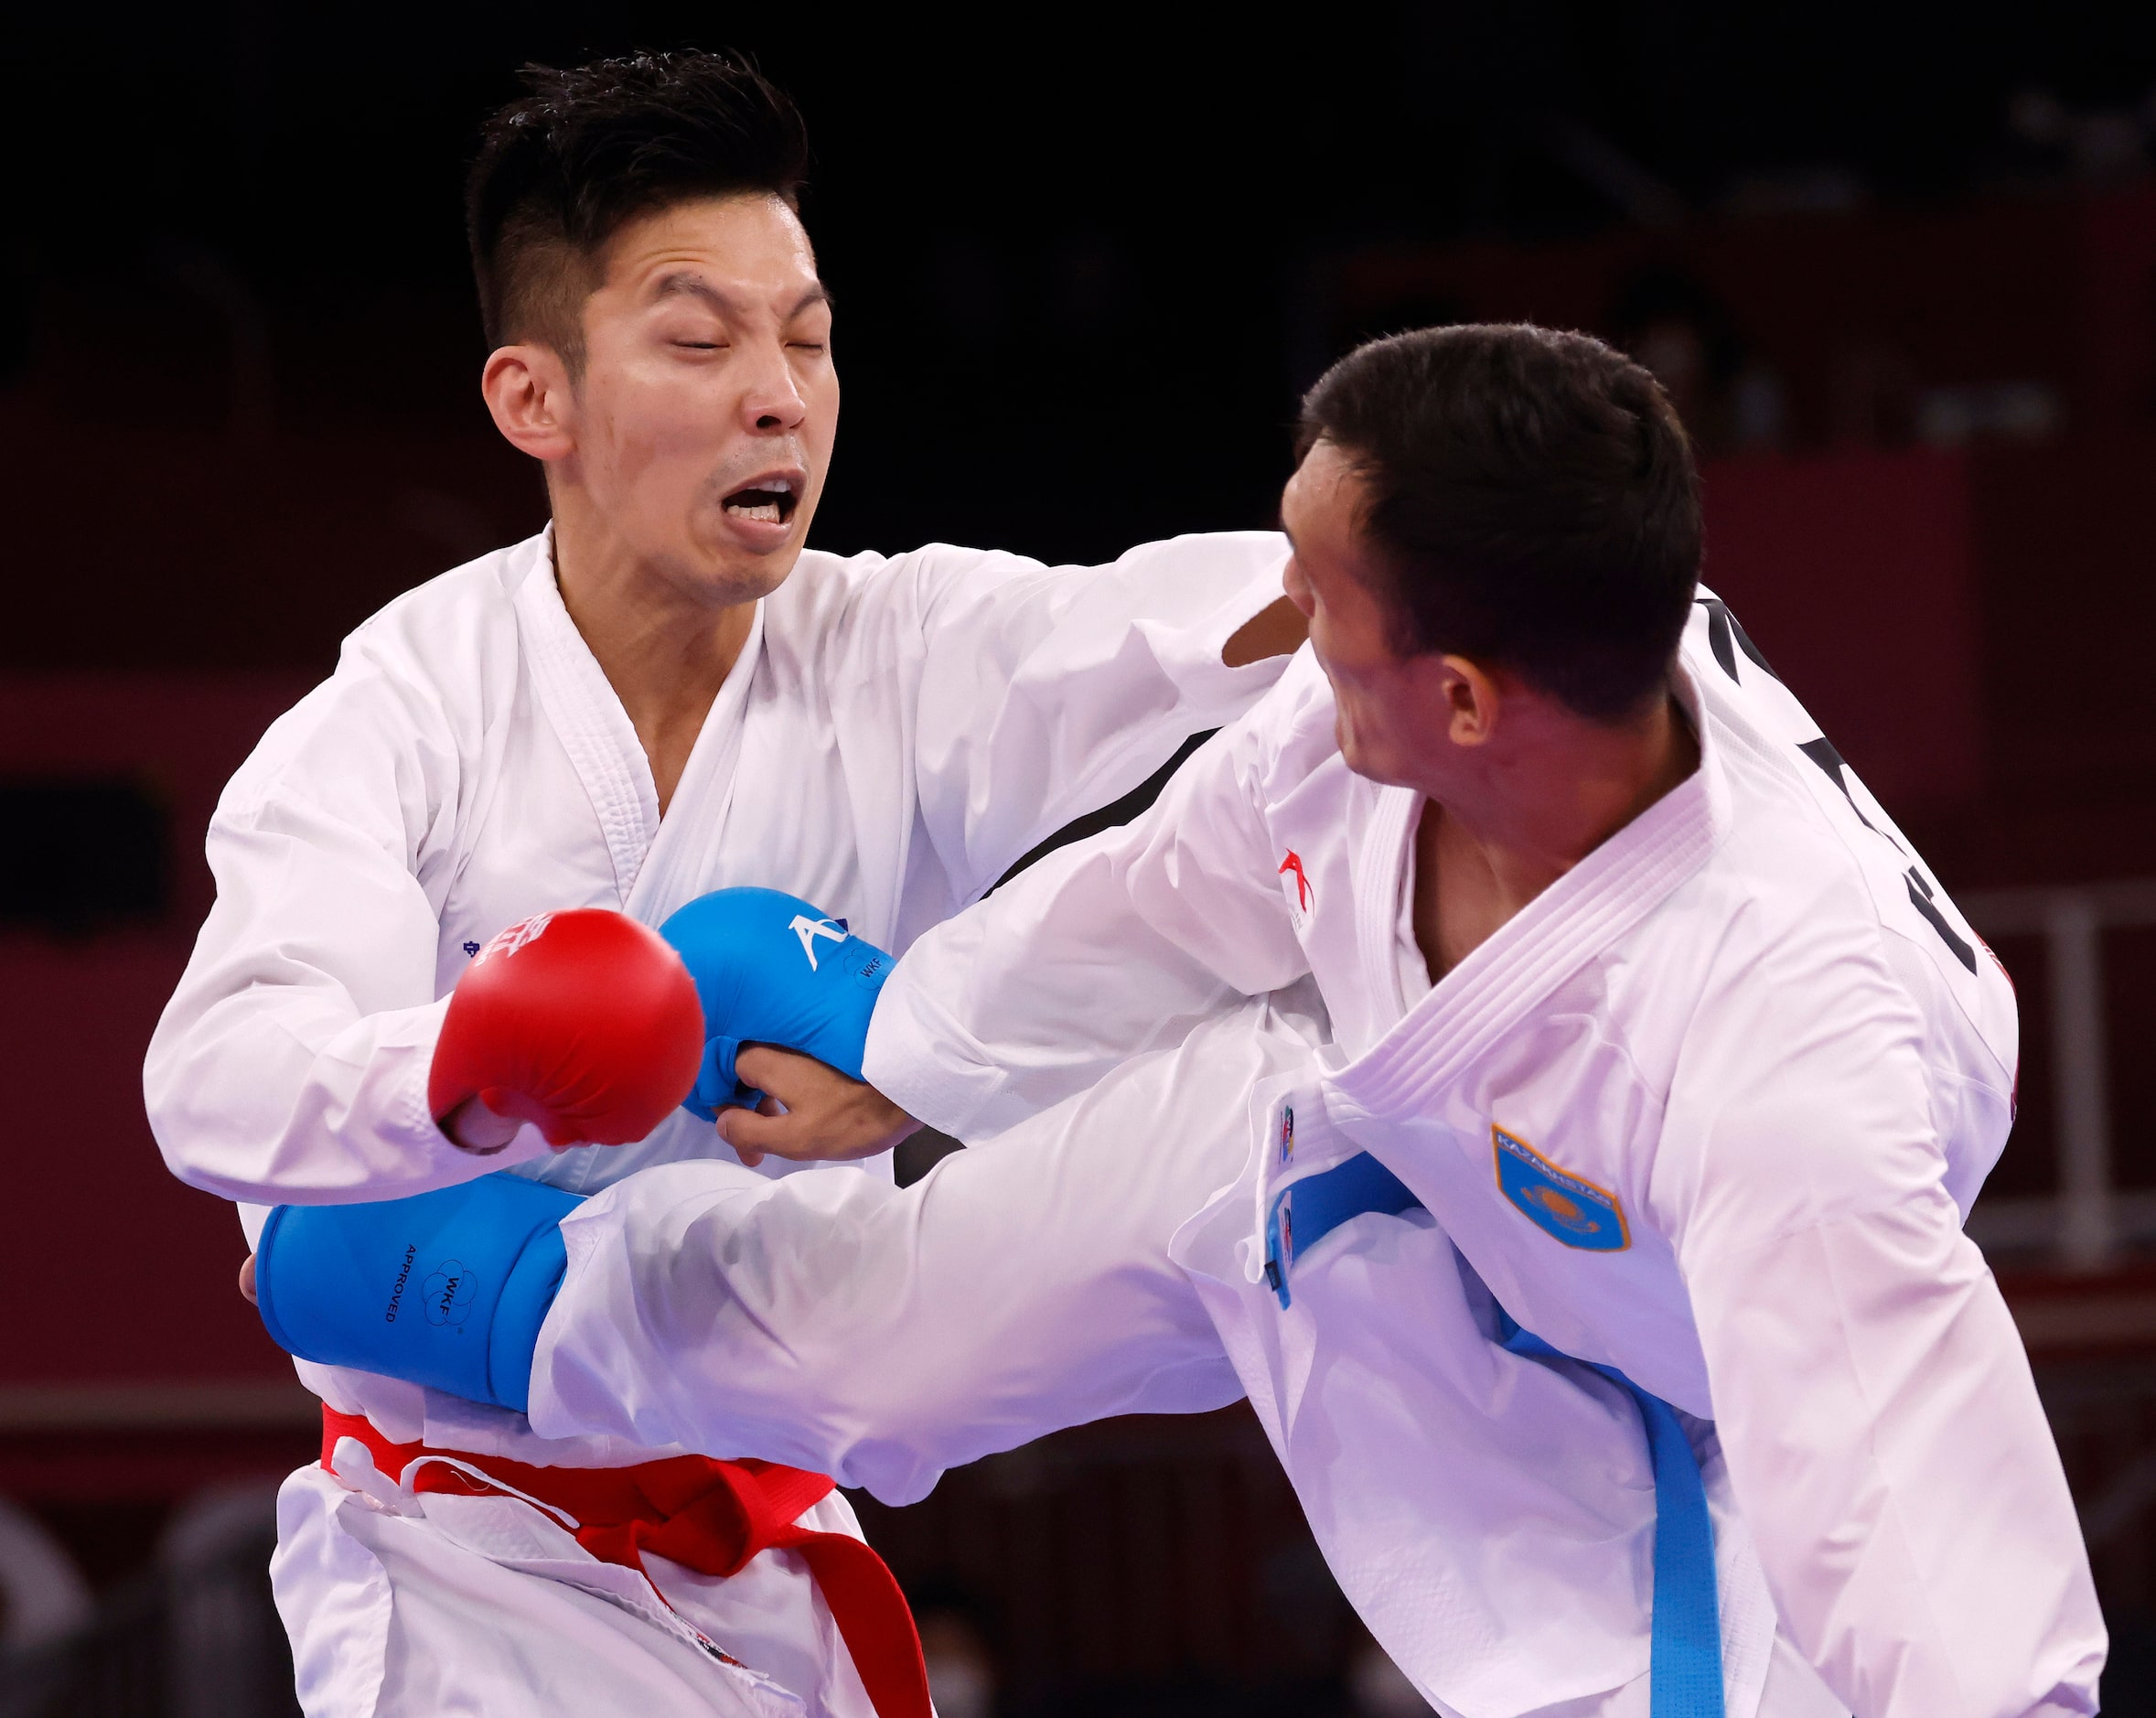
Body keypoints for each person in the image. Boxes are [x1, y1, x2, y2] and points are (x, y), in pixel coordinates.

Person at [345, 325, 2097, 1714]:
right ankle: (535, 1306)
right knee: (917, 1316)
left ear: (1464, 696)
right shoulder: (1434, 701)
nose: (1271, 627)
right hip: (1364, 1130)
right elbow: (1182, 883)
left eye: (1319, 612)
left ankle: (561, 1304)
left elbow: (1919, 1528)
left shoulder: (1783, 1064)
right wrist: (904, 1055)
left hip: (1626, 1328)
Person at [144, 49, 1304, 1718]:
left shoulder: (899, 648)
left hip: (781, 1528)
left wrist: (1425, 559)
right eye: (699, 339)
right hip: (470, 1573)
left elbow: (1181, 619)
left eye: (809, 337)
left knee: (1243, 1154)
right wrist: (473, 1067)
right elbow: (215, 1079)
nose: (779, 392)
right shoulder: (404, 707)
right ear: (531, 399)